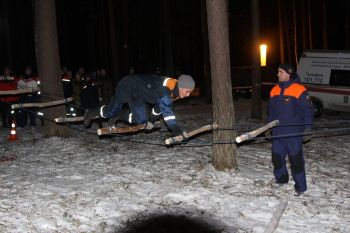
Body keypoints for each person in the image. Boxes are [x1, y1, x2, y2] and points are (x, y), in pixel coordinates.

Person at [83, 74, 195, 137]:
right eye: (188, 91)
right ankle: (91, 112)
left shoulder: (174, 92)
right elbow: (166, 110)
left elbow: (159, 108)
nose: (188, 94)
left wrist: (150, 120)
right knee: (112, 111)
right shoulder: (166, 90)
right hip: (127, 85)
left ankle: (120, 115)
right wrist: (175, 129)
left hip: (138, 95)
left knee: (141, 121)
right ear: (181, 87)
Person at [267, 63, 314, 196]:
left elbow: (308, 111)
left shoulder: (299, 90)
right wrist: (268, 126)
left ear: (288, 74)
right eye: (278, 72)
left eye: (280, 72)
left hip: (293, 134)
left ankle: (300, 187)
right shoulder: (274, 90)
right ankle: (281, 179)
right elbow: (270, 111)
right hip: (277, 134)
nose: (278, 74)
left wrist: (308, 128)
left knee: (296, 160)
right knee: (277, 158)